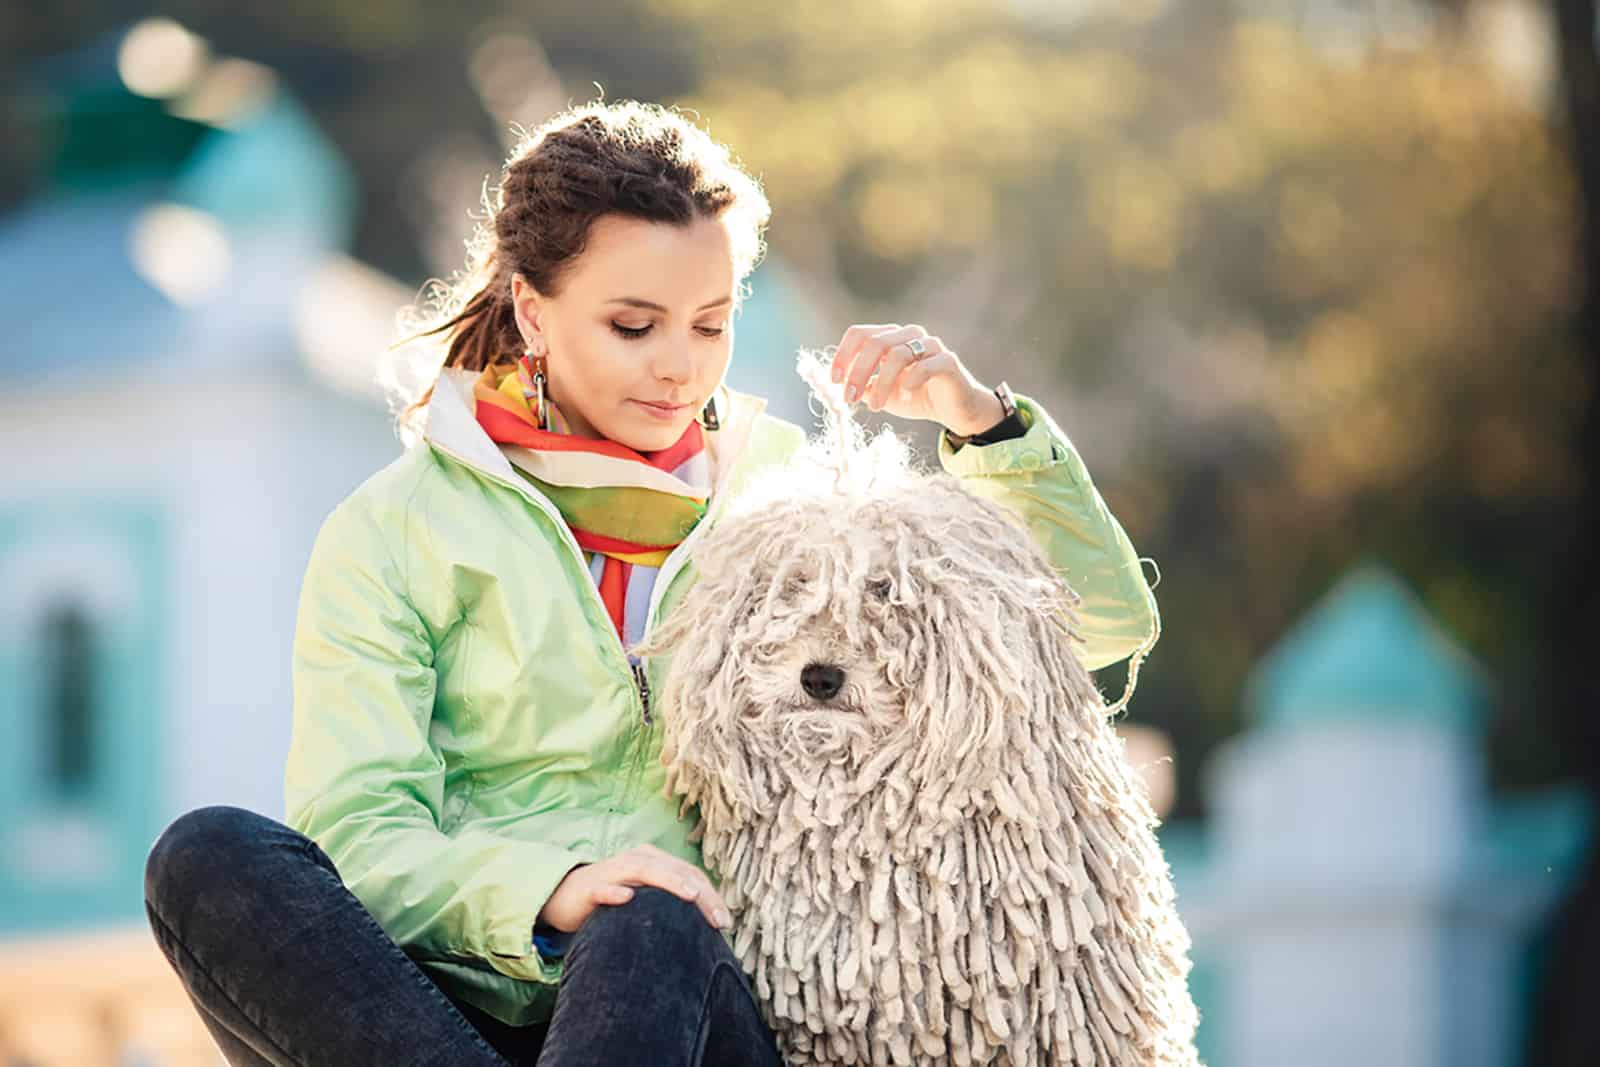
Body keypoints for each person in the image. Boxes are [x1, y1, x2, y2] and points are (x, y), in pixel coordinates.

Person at [141, 98, 1161, 1066]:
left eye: (710, 325)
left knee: (647, 919)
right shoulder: (395, 529)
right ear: (531, 312)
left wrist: (982, 422)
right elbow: (364, 833)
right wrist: (551, 889)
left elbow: (1095, 627)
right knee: (209, 857)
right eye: (635, 326)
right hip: (442, 1015)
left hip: (690, 999)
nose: (679, 368)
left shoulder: (787, 505)